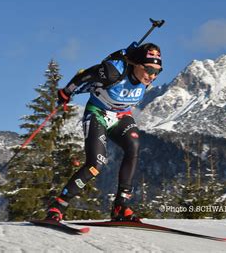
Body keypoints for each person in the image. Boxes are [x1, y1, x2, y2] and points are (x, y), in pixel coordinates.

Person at [46, 42, 162, 222]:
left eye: (157, 71)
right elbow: (85, 75)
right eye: (149, 69)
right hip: (97, 113)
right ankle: (58, 206)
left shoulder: (145, 79)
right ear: (136, 64)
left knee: (134, 146)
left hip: (121, 116)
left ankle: (120, 206)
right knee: (96, 164)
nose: (152, 76)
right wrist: (67, 92)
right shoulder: (113, 72)